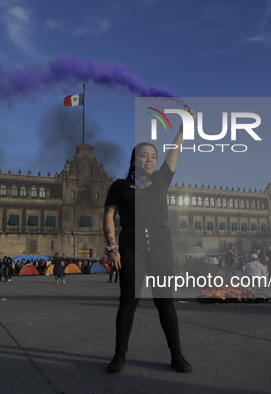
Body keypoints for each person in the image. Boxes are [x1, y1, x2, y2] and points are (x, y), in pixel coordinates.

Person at [103, 105, 195, 374]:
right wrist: (112, 247)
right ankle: (119, 355)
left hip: (161, 245)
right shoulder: (119, 187)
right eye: (144, 155)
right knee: (128, 302)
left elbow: (176, 148)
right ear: (135, 159)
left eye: (153, 156)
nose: (150, 159)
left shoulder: (162, 180)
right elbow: (109, 216)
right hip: (130, 245)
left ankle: (177, 355)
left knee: (165, 301)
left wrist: (184, 126)